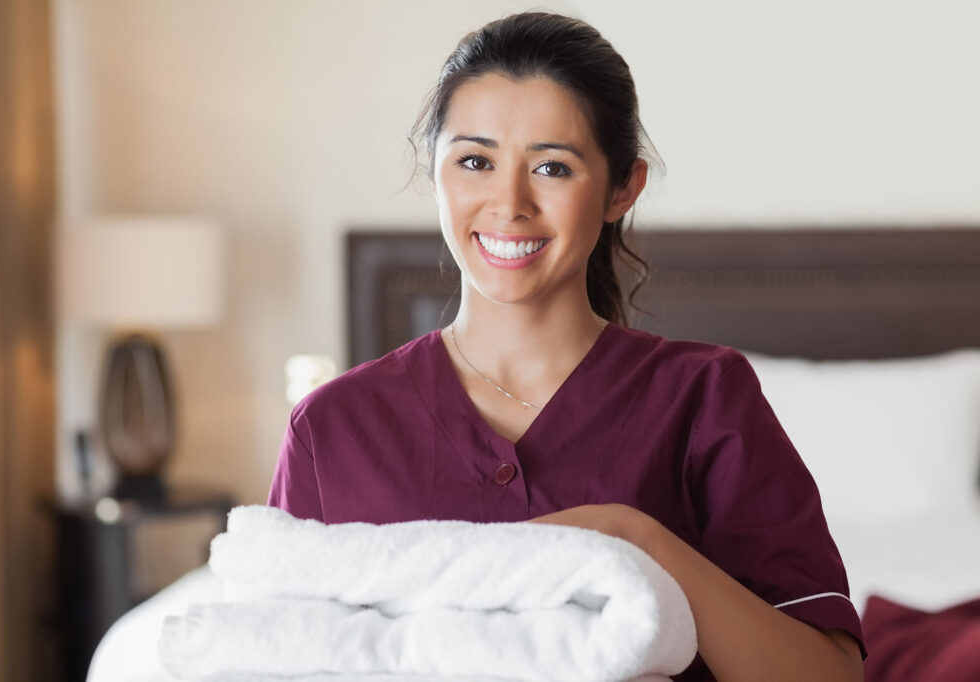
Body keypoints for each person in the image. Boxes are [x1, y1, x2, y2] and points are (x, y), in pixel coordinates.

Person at [268, 11, 866, 682]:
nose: (510, 203)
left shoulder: (704, 397)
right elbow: (277, 654)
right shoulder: (331, 429)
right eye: (475, 161)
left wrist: (635, 540)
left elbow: (829, 676)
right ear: (431, 171)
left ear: (622, 189)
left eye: (552, 167)